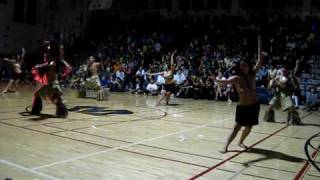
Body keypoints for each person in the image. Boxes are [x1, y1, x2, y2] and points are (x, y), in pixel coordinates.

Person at [213, 36, 262, 153]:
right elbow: (225, 81)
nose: (242, 67)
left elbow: (260, 60)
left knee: (249, 126)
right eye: (241, 65)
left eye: (244, 65)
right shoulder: (237, 78)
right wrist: (215, 79)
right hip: (243, 107)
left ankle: (240, 142)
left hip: (254, 106)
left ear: (249, 66)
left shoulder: (253, 74)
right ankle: (225, 146)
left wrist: (259, 43)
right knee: (236, 127)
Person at [31, 41, 72, 118]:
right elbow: (46, 62)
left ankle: (62, 112)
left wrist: (39, 66)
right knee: (37, 94)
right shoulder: (50, 61)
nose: (47, 55)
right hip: (48, 84)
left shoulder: (53, 62)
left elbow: (50, 63)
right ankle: (36, 110)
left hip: (53, 84)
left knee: (56, 99)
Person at [263, 60, 302, 125]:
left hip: (286, 94)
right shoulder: (277, 77)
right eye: (280, 71)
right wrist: (272, 83)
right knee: (270, 107)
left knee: (291, 109)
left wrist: (276, 82)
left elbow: (284, 86)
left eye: (282, 71)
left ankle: (293, 120)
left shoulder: (288, 77)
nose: (281, 72)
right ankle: (269, 118)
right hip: (278, 94)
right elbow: (269, 88)